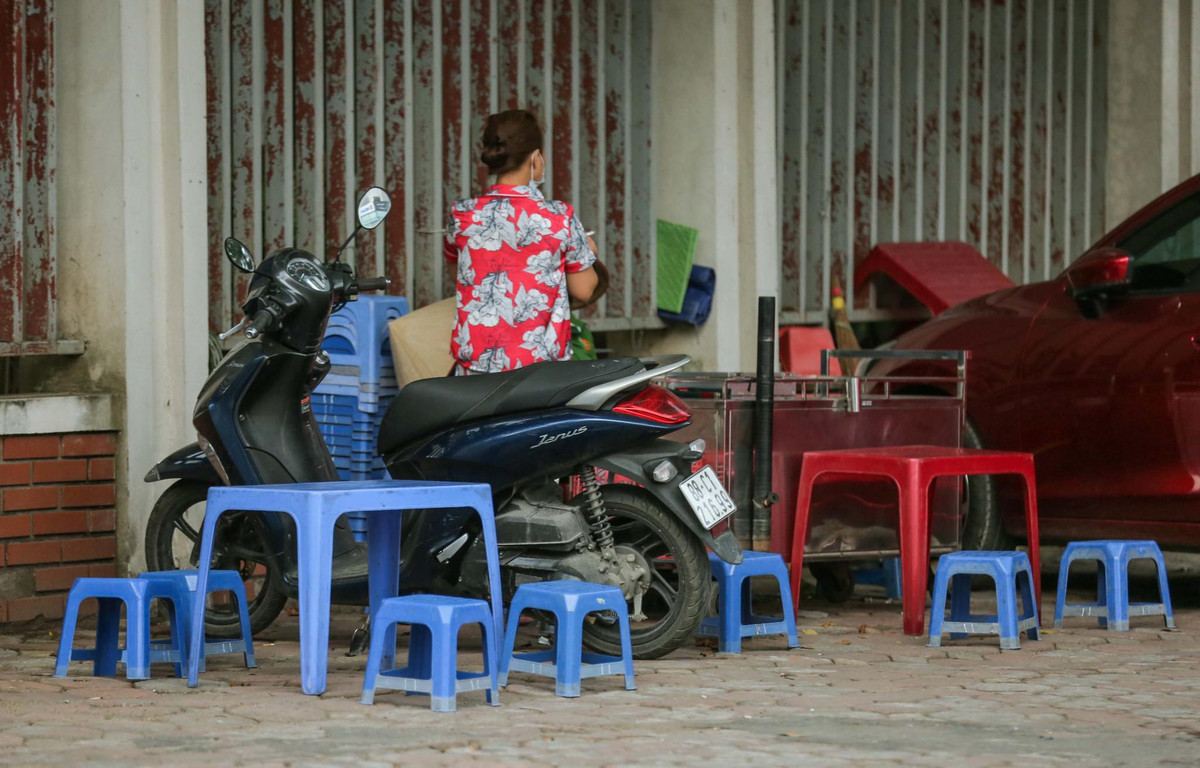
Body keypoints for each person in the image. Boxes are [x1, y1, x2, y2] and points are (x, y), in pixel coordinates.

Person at [445, 109, 601, 374]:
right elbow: (584, 290)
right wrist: (588, 250)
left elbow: (461, 274)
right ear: (536, 158)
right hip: (538, 374)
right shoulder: (559, 217)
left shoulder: (462, 214)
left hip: (474, 371)